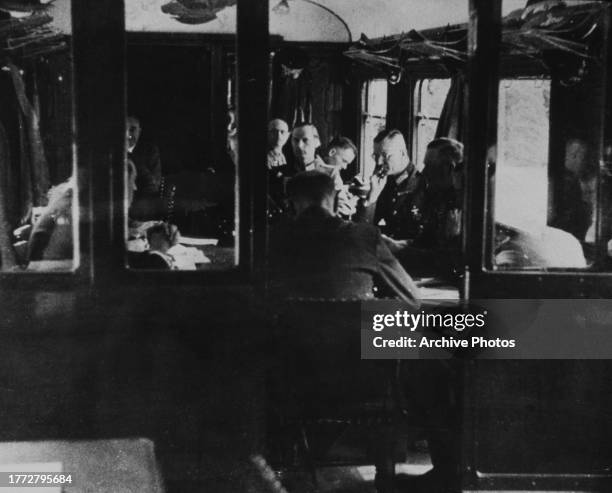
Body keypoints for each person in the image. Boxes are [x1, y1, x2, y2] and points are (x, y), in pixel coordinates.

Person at [269, 170, 420, 306]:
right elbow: (412, 299)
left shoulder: (271, 241)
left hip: (293, 335)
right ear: (335, 203)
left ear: (290, 205)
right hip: (355, 335)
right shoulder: (366, 236)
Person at [355, 129, 424, 251]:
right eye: (376, 156)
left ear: (402, 153)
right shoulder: (384, 183)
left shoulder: (422, 185)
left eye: (385, 155)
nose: (379, 162)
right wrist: (372, 196)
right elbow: (361, 230)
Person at [126, 115, 162, 198]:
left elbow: (154, 184)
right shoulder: (113, 152)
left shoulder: (150, 150)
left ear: (139, 131)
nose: (128, 134)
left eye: (132, 129)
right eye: (125, 129)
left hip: (142, 201)